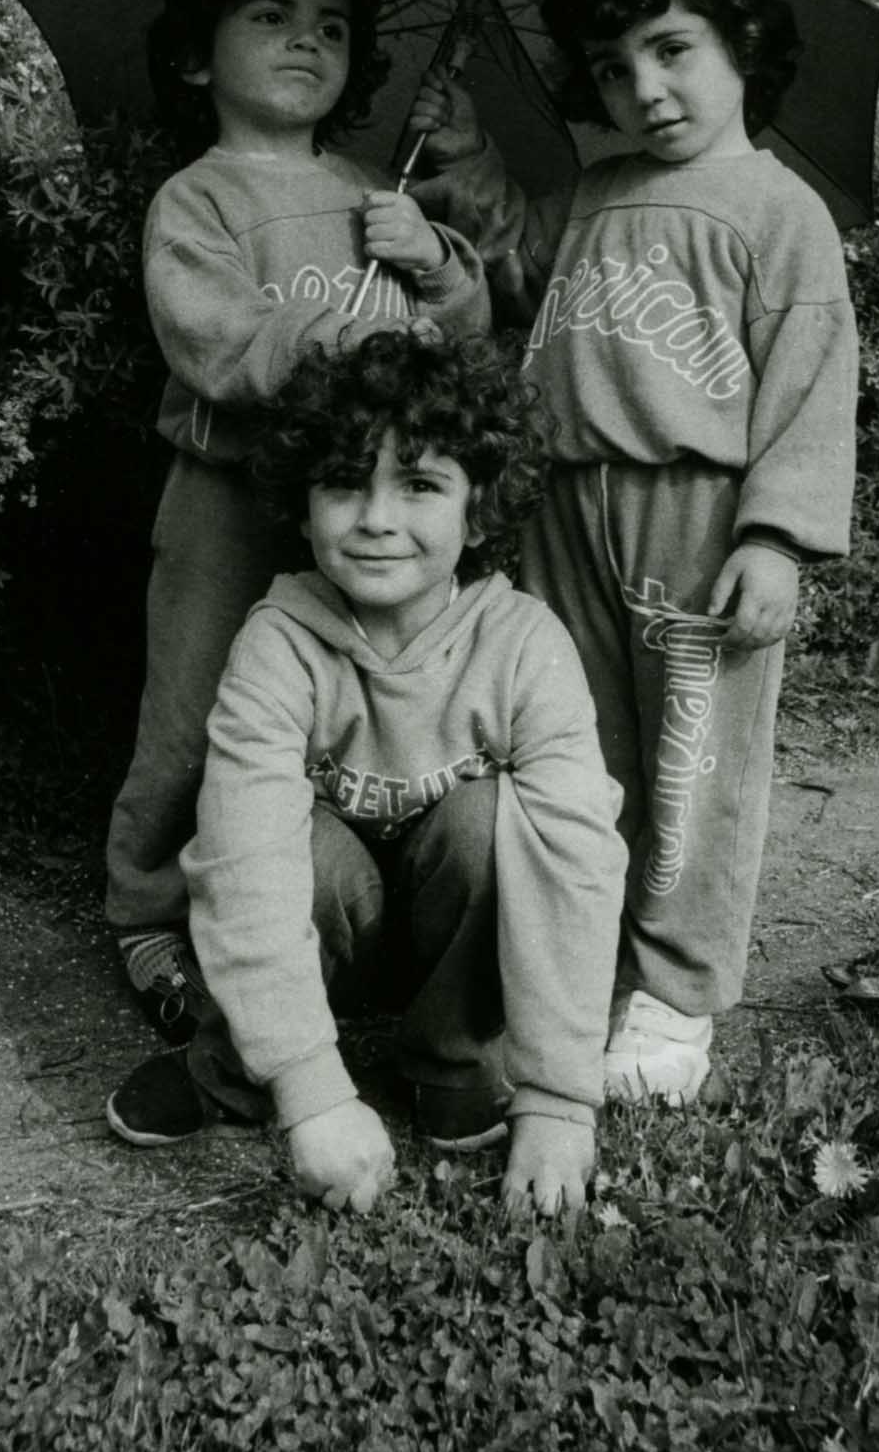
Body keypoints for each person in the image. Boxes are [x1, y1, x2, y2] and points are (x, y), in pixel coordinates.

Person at [409, 0, 858, 1108]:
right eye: (613, 67)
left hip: (698, 518)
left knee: (693, 766)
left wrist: (776, 539)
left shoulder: (780, 209)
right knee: (574, 747)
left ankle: (676, 989)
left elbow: (813, 389)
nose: (646, 87)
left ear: (741, 41)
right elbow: (504, 265)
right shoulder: (594, 191)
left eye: (673, 49)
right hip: (565, 508)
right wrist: (455, 154)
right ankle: (577, 955)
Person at [106, 330, 628, 1218]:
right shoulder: (278, 641)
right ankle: (234, 1062)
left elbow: (574, 861)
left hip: (448, 946)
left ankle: (455, 1059)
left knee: (490, 821)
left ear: (477, 509)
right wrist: (308, 1086)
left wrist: (559, 1096)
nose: (376, 517)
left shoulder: (523, 644)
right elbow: (243, 857)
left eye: (419, 484)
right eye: (345, 483)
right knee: (290, 841)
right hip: (322, 933)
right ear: (304, 506)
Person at [107, 0, 491, 1047]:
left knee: (349, 709)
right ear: (196, 54)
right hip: (231, 506)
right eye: (269, 16)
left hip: (364, 520)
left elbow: (460, 340)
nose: (304, 41)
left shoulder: (379, 189)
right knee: (193, 714)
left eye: (331, 26)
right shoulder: (199, 198)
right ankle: (149, 915)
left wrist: (436, 260)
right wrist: (357, 348)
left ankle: (316, 910)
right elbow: (215, 337)